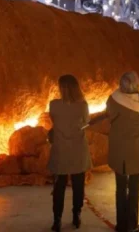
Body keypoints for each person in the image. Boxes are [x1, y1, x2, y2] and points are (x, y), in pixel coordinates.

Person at [105, 71, 139, 232]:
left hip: (119, 150)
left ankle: (121, 225)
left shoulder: (114, 100)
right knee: (135, 189)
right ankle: (132, 225)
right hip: (137, 151)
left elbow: (110, 115)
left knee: (120, 188)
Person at [48, 75, 92, 232]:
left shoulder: (53, 105)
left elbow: (54, 120)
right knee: (78, 185)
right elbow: (86, 122)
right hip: (78, 150)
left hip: (61, 150)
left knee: (59, 187)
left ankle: (57, 220)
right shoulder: (83, 105)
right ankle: (76, 216)